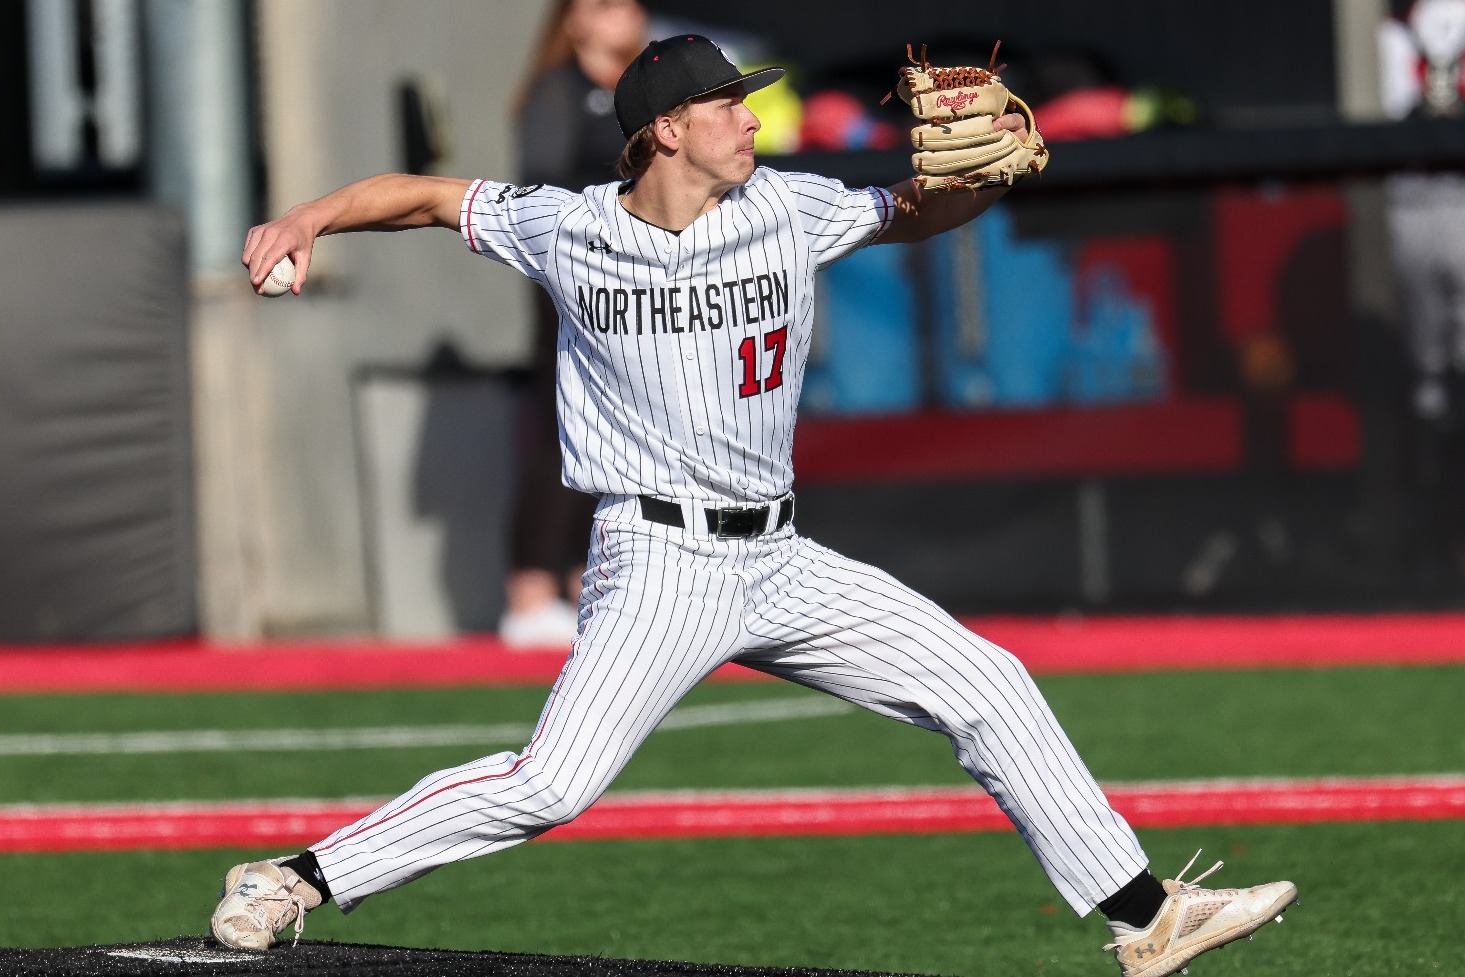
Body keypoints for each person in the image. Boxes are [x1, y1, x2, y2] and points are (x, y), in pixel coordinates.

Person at [213, 35, 1298, 977]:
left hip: (779, 557)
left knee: (988, 683)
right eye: (726, 104)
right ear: (665, 131)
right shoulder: (566, 227)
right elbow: (421, 196)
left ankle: (1146, 916)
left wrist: (985, 180)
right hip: (658, 561)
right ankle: (293, 876)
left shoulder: (784, 205)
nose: (749, 118)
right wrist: (310, 216)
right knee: (550, 785)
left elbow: (914, 210)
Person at [501, 0, 648, 648]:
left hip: (635, 283)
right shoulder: (558, 91)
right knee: (564, 427)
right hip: (574, 279)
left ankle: (587, 583)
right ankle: (530, 592)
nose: (622, 14)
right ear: (572, 20)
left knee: (620, 434)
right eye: (602, 4)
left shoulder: (643, 92)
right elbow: (542, 188)